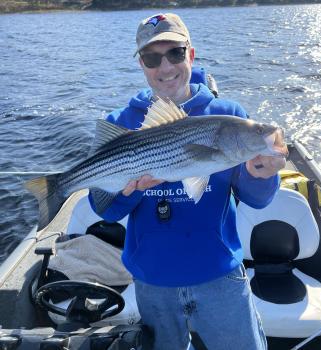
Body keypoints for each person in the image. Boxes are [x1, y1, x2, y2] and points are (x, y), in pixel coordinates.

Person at [89, 13, 286, 350]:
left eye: (175, 54)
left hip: (219, 276)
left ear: (191, 55)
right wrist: (127, 192)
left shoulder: (229, 115)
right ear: (141, 64)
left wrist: (260, 173)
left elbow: (257, 199)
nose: (165, 68)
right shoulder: (121, 122)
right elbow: (104, 210)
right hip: (152, 281)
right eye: (152, 58)